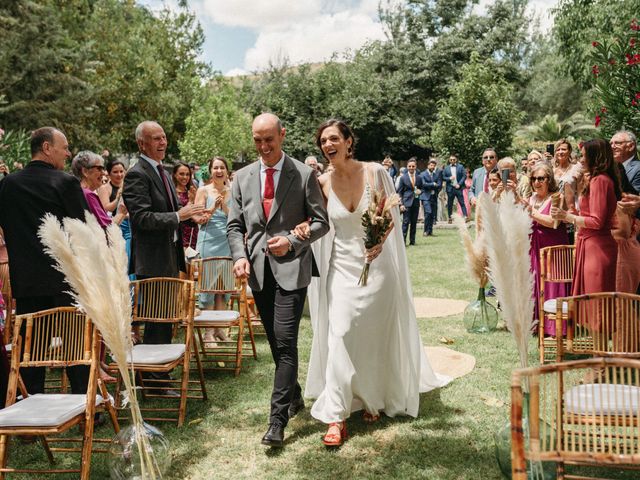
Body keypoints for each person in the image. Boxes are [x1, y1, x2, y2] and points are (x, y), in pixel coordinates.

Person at [303, 119, 450, 447]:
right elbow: (317, 223)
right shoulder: (322, 184)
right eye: (323, 141)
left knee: (371, 334)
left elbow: (390, 215)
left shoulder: (374, 173)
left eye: (334, 139)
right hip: (340, 269)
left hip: (377, 266)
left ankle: (371, 398)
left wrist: (379, 241)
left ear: (348, 141)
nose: (328, 145)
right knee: (339, 332)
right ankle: (337, 416)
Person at [226, 113, 329, 448]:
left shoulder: (302, 173)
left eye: (269, 139)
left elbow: (321, 221)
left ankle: (276, 421)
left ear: (282, 135)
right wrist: (240, 256)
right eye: (257, 140)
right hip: (257, 272)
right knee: (275, 341)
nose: (264, 146)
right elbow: (234, 226)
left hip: (292, 269)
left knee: (285, 343)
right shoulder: (240, 177)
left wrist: (293, 241)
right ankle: (295, 395)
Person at [0, 127, 90, 395]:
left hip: (26, 281)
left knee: (31, 349)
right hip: (64, 279)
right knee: (75, 346)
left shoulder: (7, 185)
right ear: (47, 147)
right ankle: (85, 406)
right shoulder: (66, 183)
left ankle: (31, 405)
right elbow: (83, 230)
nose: (68, 153)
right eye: (64, 147)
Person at [122, 121, 203, 395]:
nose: (162, 142)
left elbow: (170, 211)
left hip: (169, 255)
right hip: (152, 260)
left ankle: (159, 376)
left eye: (164, 137)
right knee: (157, 321)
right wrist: (178, 216)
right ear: (141, 143)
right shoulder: (136, 174)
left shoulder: (163, 172)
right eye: (155, 138)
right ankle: (155, 382)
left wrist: (190, 214)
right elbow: (142, 218)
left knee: (167, 318)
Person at [551, 139, 621, 315]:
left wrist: (568, 216)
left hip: (597, 248)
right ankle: (597, 341)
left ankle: (600, 342)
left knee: (596, 305)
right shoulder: (599, 180)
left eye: (583, 156)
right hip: (590, 245)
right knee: (592, 304)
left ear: (594, 157)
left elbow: (597, 221)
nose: (581, 160)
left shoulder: (600, 181)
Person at [525, 163, 570, 336]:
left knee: (552, 283)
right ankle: (537, 324)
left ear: (549, 179)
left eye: (541, 178)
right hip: (534, 248)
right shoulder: (531, 198)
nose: (537, 182)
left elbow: (553, 222)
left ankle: (555, 328)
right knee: (535, 283)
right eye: (534, 178)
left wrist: (532, 213)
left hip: (553, 249)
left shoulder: (557, 197)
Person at [194, 156, 233, 345]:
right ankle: (208, 332)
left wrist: (224, 206)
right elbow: (198, 218)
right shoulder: (203, 190)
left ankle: (219, 329)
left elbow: (235, 217)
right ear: (210, 171)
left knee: (223, 288)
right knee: (208, 287)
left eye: (222, 168)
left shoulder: (233, 191)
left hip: (227, 241)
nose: (219, 171)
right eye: (215, 168)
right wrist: (211, 207)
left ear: (227, 171)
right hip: (208, 241)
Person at [396, 157, 423, 245]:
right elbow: (399, 192)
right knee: (405, 222)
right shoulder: (403, 178)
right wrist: (401, 205)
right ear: (407, 167)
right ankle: (403, 241)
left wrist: (420, 191)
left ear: (415, 167)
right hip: (406, 203)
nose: (411, 168)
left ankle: (412, 241)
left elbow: (421, 188)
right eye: (410, 166)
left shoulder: (419, 178)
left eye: (413, 166)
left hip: (415, 203)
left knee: (414, 223)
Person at [172, 162, 198, 252]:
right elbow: (180, 213)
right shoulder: (172, 193)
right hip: (179, 233)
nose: (185, 177)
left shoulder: (192, 190)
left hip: (193, 233)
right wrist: (190, 201)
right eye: (181, 174)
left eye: (187, 174)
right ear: (175, 175)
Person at [419, 159, 441, 236]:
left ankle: (430, 231)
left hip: (434, 196)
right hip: (425, 197)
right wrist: (433, 184)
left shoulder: (436, 175)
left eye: (434, 166)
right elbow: (424, 184)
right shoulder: (422, 174)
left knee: (432, 215)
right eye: (431, 165)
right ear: (428, 165)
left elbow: (439, 184)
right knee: (428, 213)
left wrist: (433, 185)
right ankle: (425, 231)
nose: (432, 167)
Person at [443, 154, 468, 222]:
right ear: (449, 160)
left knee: (462, 202)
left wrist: (459, 184)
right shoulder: (446, 168)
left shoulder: (461, 167)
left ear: (456, 160)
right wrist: (449, 178)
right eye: (451, 160)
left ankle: (465, 216)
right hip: (450, 188)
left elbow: (464, 176)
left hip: (458, 188)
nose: (452, 161)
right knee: (449, 204)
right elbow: (443, 177)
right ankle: (450, 218)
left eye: (453, 159)